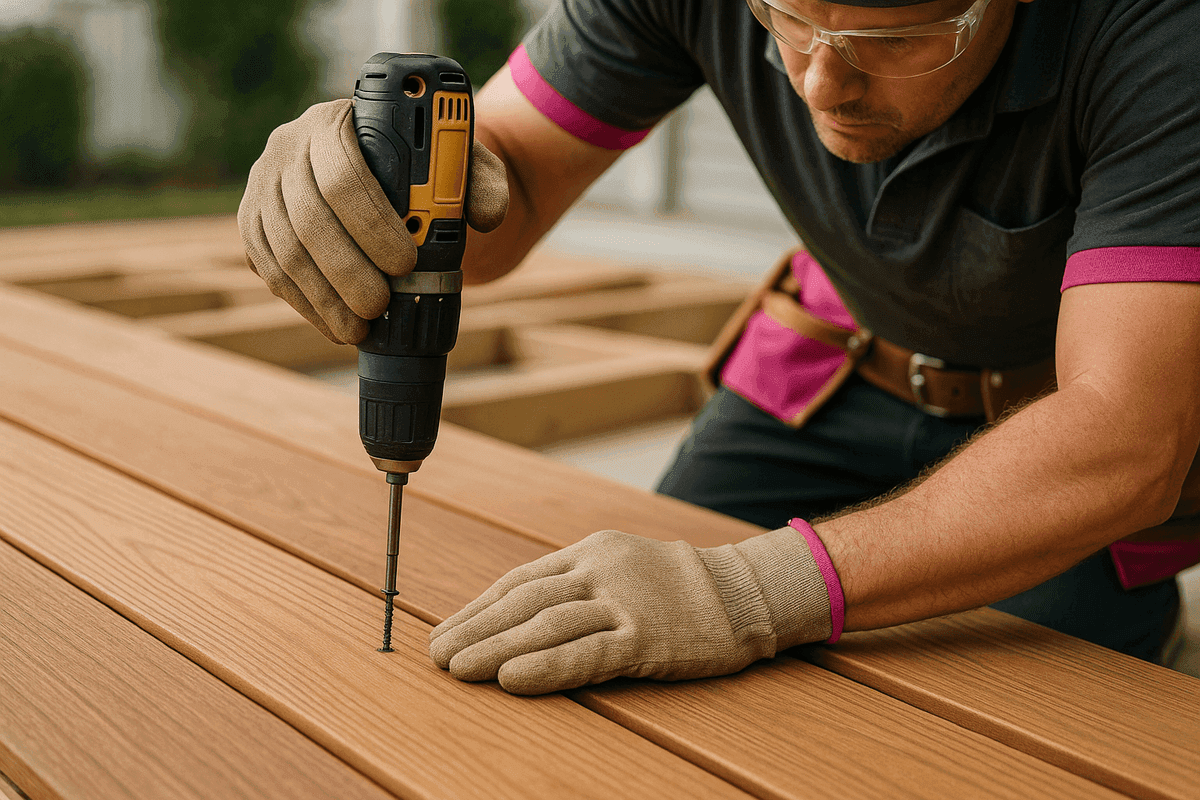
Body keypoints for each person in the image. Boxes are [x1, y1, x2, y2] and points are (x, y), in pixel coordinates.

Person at [239, 0, 1200, 695]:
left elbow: (1124, 431)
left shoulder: (1164, 36)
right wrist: (382, 188)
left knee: (1047, 729)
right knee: (618, 643)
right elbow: (509, 180)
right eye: (786, 20)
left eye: (893, 38)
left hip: (1059, 430)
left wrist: (751, 588)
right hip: (834, 366)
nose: (822, 80)